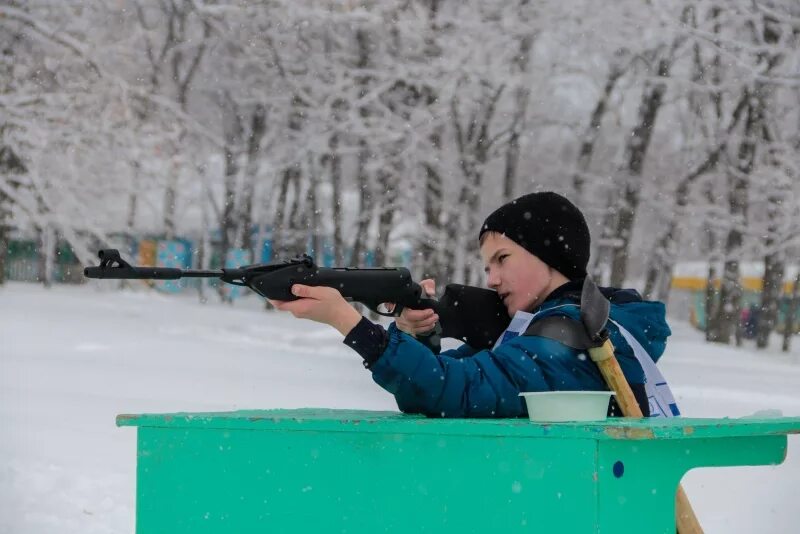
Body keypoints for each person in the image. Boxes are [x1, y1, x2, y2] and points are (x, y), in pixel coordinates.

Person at [269, 192, 672, 418]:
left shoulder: (564, 336)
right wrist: (419, 336)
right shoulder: (561, 328)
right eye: (487, 265)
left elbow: (457, 392)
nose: (491, 279)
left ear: (549, 258)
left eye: (503, 259)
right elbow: (435, 388)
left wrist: (353, 326)